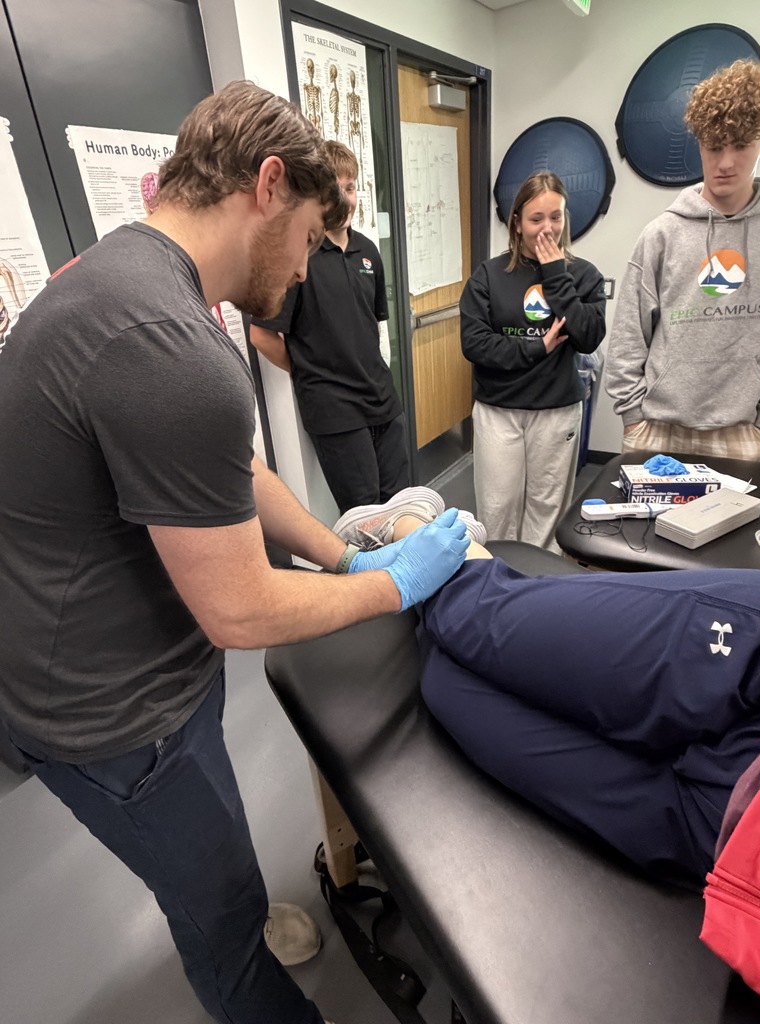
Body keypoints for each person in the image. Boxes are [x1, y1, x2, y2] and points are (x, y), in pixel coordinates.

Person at [0, 82, 472, 1024]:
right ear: (267, 185)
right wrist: (392, 586)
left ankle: (237, 912)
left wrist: (337, 554)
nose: (305, 269)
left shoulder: (124, 276)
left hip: (80, 656)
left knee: (218, 874)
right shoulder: (168, 342)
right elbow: (241, 610)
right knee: (215, 912)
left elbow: (231, 466)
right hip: (116, 715)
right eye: (307, 236)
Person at [334, 488, 760, 997]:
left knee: (448, 686)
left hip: (730, 843)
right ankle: (413, 524)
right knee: (476, 617)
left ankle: (447, 551)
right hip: (755, 676)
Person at [605, 58, 760, 462]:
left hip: (746, 434)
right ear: (698, 142)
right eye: (714, 147)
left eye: (741, 145)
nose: (725, 162)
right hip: (658, 431)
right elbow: (629, 333)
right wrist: (632, 416)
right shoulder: (661, 233)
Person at [250, 140, 408, 514]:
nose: (345, 198)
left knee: (403, 505)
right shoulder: (298, 254)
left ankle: (411, 573)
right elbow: (261, 335)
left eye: (350, 188)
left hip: (381, 397)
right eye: (334, 190)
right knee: (367, 518)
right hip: (336, 411)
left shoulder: (368, 251)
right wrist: (311, 370)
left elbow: (370, 326)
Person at [460, 171, 606, 552]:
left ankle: (537, 586)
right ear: (517, 223)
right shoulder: (489, 276)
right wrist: (535, 349)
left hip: (556, 410)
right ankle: (499, 582)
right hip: (498, 410)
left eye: (555, 217)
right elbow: (475, 344)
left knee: (547, 507)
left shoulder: (582, 274)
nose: (546, 228)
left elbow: (587, 335)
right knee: (498, 507)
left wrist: (556, 275)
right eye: (536, 219)